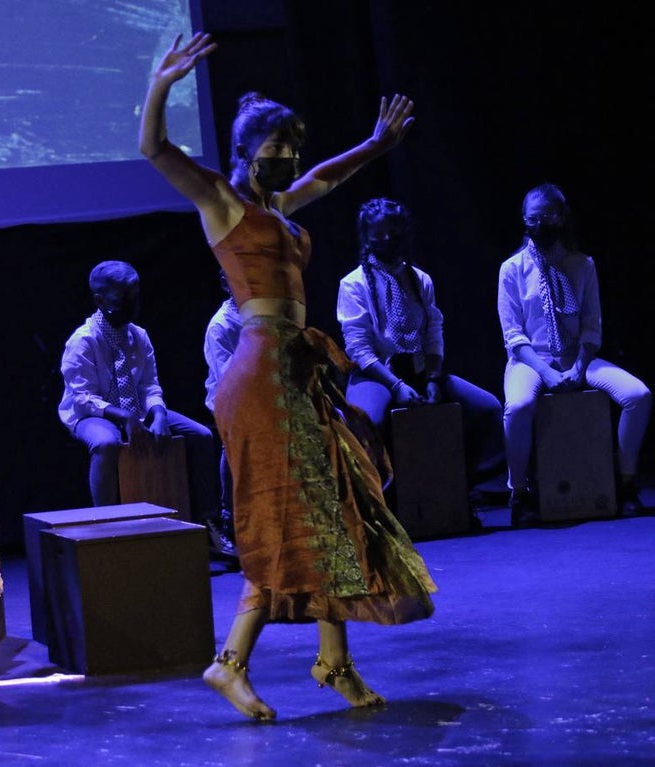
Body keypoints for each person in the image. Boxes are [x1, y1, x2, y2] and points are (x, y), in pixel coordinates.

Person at [140, 31, 437, 721]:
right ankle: (231, 661)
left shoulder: (276, 208)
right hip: (260, 375)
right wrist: (160, 86)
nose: (288, 161)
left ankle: (333, 661)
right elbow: (155, 150)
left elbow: (327, 178)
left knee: (328, 506)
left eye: (291, 151)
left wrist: (376, 145)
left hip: (296, 370)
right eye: (275, 152)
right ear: (245, 154)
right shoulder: (222, 201)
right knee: (288, 515)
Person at [58, 259, 236, 555]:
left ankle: (209, 521)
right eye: (121, 300)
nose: (130, 305)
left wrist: (159, 413)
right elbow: (82, 396)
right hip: (94, 414)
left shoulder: (138, 336)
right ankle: (107, 527)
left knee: (201, 436)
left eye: (134, 298)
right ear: (100, 300)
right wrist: (123, 416)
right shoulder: (83, 341)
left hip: (135, 408)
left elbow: (150, 384)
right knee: (105, 444)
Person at [497, 183, 651, 523]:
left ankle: (626, 483)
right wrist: (548, 373)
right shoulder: (512, 270)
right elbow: (514, 336)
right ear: (524, 221)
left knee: (638, 395)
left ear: (562, 218)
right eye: (533, 219)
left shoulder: (583, 265)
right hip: (531, 359)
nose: (540, 225)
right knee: (519, 406)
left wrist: (579, 365)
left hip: (575, 356)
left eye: (548, 217)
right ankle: (519, 492)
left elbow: (592, 327)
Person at [337, 197, 505, 494]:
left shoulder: (420, 279)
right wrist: (397, 385)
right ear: (367, 237)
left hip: (419, 369)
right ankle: (382, 501)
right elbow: (358, 348)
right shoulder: (354, 284)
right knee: (367, 421)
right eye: (379, 234)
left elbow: (433, 331)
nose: (387, 239)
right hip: (377, 374)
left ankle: (461, 489)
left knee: (487, 408)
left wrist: (432, 376)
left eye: (394, 232)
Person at [203, 269, 242, 548]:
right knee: (235, 440)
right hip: (233, 399)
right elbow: (228, 376)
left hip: (269, 392)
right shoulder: (221, 325)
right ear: (224, 284)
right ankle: (229, 517)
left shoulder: (265, 314)